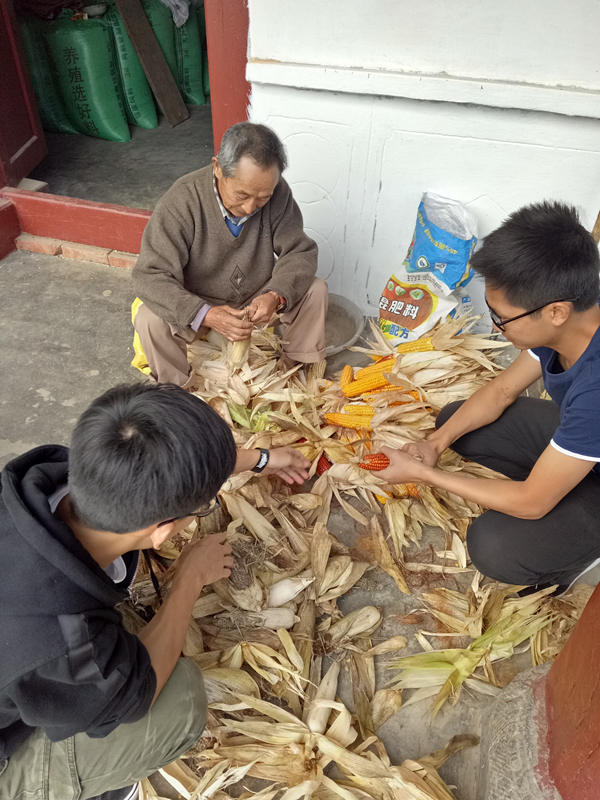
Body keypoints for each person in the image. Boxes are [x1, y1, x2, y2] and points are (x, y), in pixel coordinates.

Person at [0, 382, 310, 800]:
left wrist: (261, 460)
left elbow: (155, 464)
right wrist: (189, 580)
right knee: (179, 701)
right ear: (162, 530)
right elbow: (138, 690)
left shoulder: (41, 478)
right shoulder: (64, 640)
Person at [375, 201, 600, 592]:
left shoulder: (595, 392)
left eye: (502, 318)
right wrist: (434, 444)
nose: (497, 329)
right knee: (455, 422)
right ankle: (561, 478)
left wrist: (424, 474)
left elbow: (532, 502)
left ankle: (581, 550)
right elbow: (502, 390)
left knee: (493, 545)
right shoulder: (573, 317)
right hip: (587, 443)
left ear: (556, 312)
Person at [132, 122, 328, 387]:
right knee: (150, 318)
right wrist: (205, 314)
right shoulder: (183, 199)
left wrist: (275, 295)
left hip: (254, 303)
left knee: (315, 289)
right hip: (199, 305)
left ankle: (296, 375)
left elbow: (300, 252)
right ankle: (179, 393)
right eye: (241, 195)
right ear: (218, 168)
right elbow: (150, 275)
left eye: (262, 198)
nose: (250, 207)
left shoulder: (278, 193)